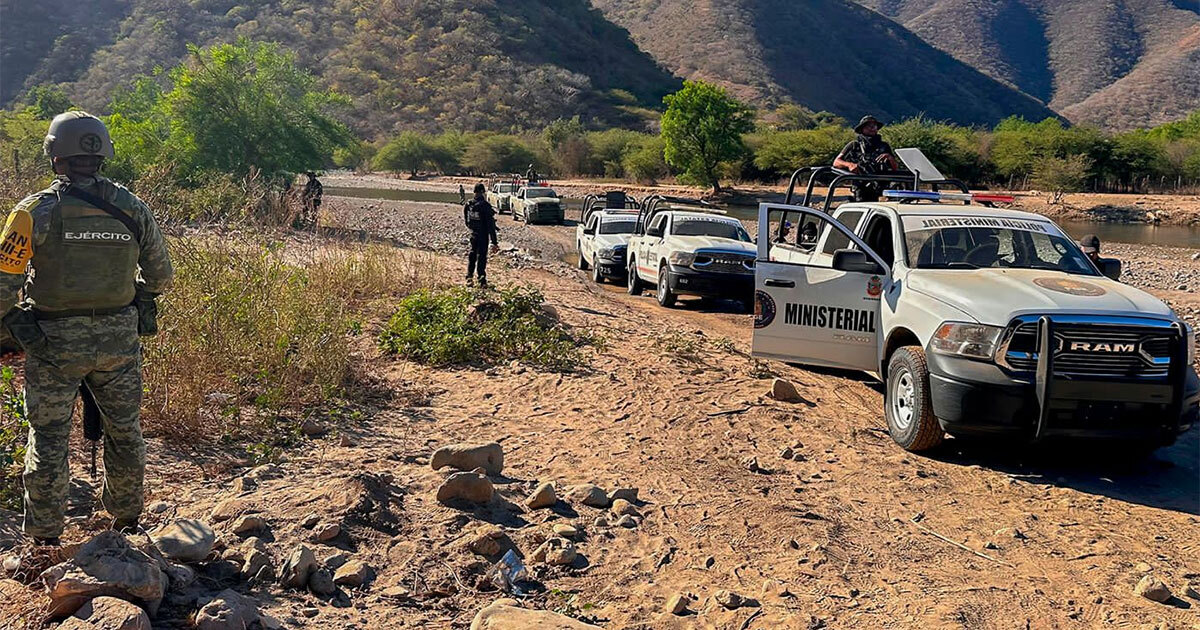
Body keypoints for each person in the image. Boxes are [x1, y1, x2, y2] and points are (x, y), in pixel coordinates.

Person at [0, 111, 173, 545]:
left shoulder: (32, 212)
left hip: (53, 343)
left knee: (49, 437)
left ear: (54, 154)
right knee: (124, 429)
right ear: (102, 154)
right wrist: (132, 296)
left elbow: (2, 286)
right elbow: (161, 277)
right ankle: (127, 521)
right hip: (118, 340)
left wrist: (18, 326)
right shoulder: (131, 206)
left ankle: (44, 538)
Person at [834, 115, 900, 202]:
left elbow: (895, 168)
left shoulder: (884, 146)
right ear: (862, 129)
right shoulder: (854, 145)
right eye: (868, 125)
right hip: (861, 186)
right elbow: (836, 162)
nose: (872, 128)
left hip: (881, 186)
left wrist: (889, 158)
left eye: (874, 125)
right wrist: (850, 165)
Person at [463, 182, 499, 287]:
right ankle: (482, 280)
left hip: (473, 233)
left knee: (472, 255)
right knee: (482, 257)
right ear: (483, 192)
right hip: (483, 235)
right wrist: (494, 242)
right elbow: (490, 225)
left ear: (474, 192)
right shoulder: (485, 206)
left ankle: (469, 277)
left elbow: (467, 221)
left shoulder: (469, 204)